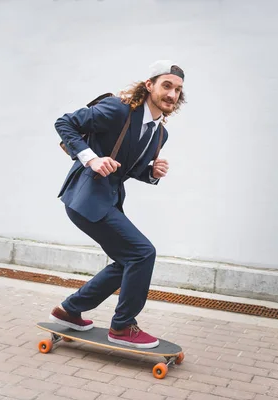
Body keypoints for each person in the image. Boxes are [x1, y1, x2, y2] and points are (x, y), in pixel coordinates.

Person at [49, 60, 186, 348]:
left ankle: (69, 310)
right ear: (149, 85)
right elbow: (65, 123)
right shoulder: (119, 110)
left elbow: (128, 168)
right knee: (143, 253)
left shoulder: (160, 133)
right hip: (85, 197)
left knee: (128, 260)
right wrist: (91, 158)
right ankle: (122, 327)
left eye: (177, 90)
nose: (172, 94)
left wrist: (151, 172)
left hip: (107, 200)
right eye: (166, 85)